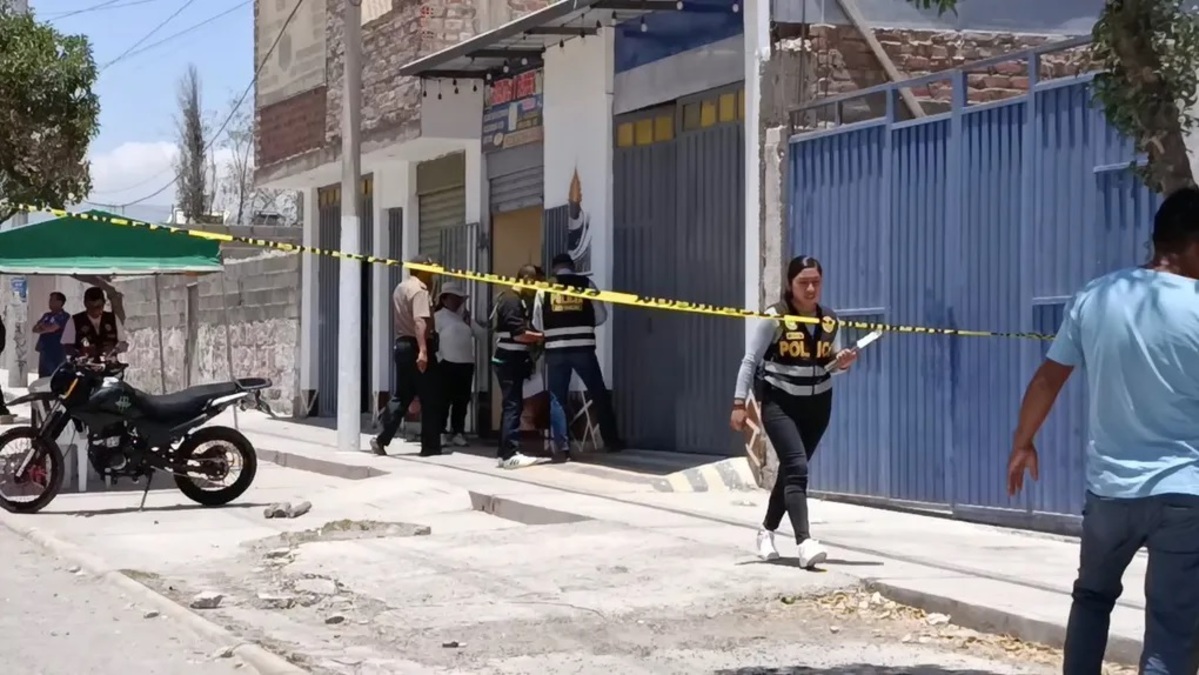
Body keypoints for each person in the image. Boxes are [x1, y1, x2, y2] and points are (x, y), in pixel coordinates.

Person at [1008, 187, 1199, 675]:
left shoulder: (1097, 296)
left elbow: (1049, 378)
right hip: (1186, 492)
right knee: (1171, 625)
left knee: (1092, 598)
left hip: (1111, 491)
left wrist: (1023, 442)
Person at [730, 256, 858, 569]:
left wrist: (841, 364)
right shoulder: (775, 317)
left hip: (818, 406)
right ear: (790, 284)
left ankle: (766, 530)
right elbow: (750, 360)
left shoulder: (829, 319)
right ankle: (805, 542)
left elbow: (829, 366)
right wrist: (738, 403)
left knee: (791, 471)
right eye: (803, 282)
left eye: (816, 282)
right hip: (779, 403)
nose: (811, 288)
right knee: (797, 468)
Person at [532, 253, 626, 457]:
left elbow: (537, 323)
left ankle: (562, 448)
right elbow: (601, 316)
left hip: (556, 350)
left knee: (557, 398)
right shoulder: (587, 284)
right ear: (572, 266)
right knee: (598, 393)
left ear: (554, 268)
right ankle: (612, 441)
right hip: (583, 348)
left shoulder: (544, 288)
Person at [372, 254, 442, 457]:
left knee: (402, 395)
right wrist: (423, 351)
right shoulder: (419, 291)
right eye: (430, 269)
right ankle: (430, 446)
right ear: (422, 269)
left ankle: (382, 438)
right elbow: (420, 322)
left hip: (402, 344)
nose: (433, 273)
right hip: (417, 345)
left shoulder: (401, 287)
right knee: (431, 397)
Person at [491, 264, 550, 469]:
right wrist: (542, 337)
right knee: (513, 406)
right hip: (509, 359)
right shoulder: (512, 300)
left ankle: (504, 453)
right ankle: (510, 454)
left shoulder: (514, 299)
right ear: (527, 280)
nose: (536, 290)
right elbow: (519, 334)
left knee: (511, 405)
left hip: (510, 359)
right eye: (536, 285)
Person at [433, 281, 486, 448]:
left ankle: (458, 432)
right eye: (454, 298)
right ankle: (440, 432)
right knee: (443, 400)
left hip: (466, 363)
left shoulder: (464, 318)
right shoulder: (438, 317)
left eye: (459, 299)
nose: (457, 302)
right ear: (445, 299)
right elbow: (432, 340)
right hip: (446, 363)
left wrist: (470, 322)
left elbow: (482, 335)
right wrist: (438, 358)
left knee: (462, 400)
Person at [62, 286, 128, 360]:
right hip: (84, 364)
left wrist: (115, 349)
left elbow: (124, 344)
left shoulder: (113, 318)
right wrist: (81, 351)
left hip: (109, 363)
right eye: (90, 307)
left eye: (98, 307)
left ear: (104, 303)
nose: (94, 310)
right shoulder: (74, 320)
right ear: (85, 304)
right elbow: (66, 347)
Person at [32, 291, 71, 377]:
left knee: (55, 374)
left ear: (60, 302)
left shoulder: (64, 316)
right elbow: (35, 329)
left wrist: (43, 327)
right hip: (44, 349)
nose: (50, 302)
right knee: (43, 375)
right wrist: (44, 327)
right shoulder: (46, 315)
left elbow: (52, 328)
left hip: (57, 351)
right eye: (50, 300)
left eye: (52, 300)